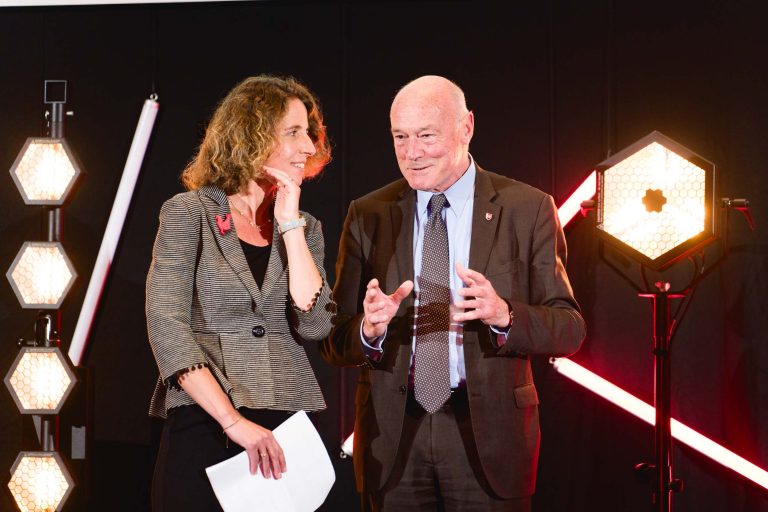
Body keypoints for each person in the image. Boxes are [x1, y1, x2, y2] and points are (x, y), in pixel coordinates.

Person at [321, 75, 586, 511]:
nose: (411, 153)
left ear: (466, 128)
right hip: (393, 439)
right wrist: (369, 329)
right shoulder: (368, 214)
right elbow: (335, 341)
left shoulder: (528, 208)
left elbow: (570, 328)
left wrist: (505, 315)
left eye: (426, 135)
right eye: (400, 137)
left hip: (491, 437)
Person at [146, 75, 334, 511]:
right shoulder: (189, 212)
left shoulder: (306, 228)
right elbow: (166, 325)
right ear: (250, 134)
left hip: (286, 423)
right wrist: (233, 421)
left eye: (309, 133)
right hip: (207, 418)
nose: (309, 146)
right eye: (294, 132)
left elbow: (316, 322)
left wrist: (289, 224)